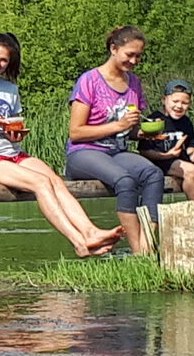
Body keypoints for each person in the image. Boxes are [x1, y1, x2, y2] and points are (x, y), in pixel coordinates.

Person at [0, 33, 122, 257]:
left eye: (3, 60)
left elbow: (15, 125)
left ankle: (90, 231)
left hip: (13, 153)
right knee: (40, 182)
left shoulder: (10, 89)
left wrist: (15, 135)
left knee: (55, 180)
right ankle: (78, 242)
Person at [65, 24, 165, 254]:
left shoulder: (134, 84)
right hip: (84, 152)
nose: (134, 61)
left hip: (116, 151)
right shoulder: (89, 80)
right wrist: (118, 125)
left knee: (153, 174)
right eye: (130, 55)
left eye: (139, 56)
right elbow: (76, 132)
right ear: (114, 49)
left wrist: (143, 133)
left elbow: (128, 131)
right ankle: (139, 252)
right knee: (125, 181)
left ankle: (148, 246)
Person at [140, 79, 194, 202]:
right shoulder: (152, 120)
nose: (179, 106)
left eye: (184, 103)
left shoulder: (186, 121)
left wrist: (193, 153)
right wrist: (166, 155)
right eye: (175, 101)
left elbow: (189, 146)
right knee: (190, 170)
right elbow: (144, 151)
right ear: (164, 100)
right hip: (160, 161)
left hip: (182, 159)